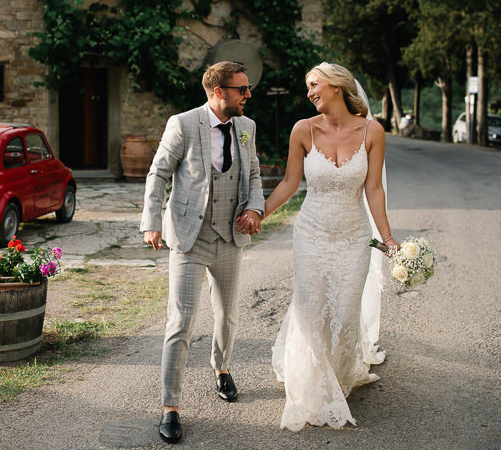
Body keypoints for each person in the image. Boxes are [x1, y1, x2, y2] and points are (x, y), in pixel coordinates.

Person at [262, 62, 398, 431]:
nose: (309, 92)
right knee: (311, 307)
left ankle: (336, 377)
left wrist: (386, 238)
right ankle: (311, 384)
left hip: (353, 236)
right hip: (311, 233)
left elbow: (373, 189)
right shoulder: (303, 129)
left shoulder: (372, 131)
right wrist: (259, 213)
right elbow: (291, 183)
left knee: (343, 308)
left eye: (314, 84)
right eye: (307, 86)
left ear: (337, 86)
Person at [140, 61, 265, 444]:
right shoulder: (182, 124)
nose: (248, 95)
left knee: (228, 315)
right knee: (180, 323)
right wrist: (151, 221)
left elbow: (255, 173)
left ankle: (221, 369)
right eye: (242, 89)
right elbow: (159, 173)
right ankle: (170, 408)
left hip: (229, 237)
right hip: (190, 238)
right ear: (218, 91)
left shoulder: (247, 127)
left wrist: (255, 208)